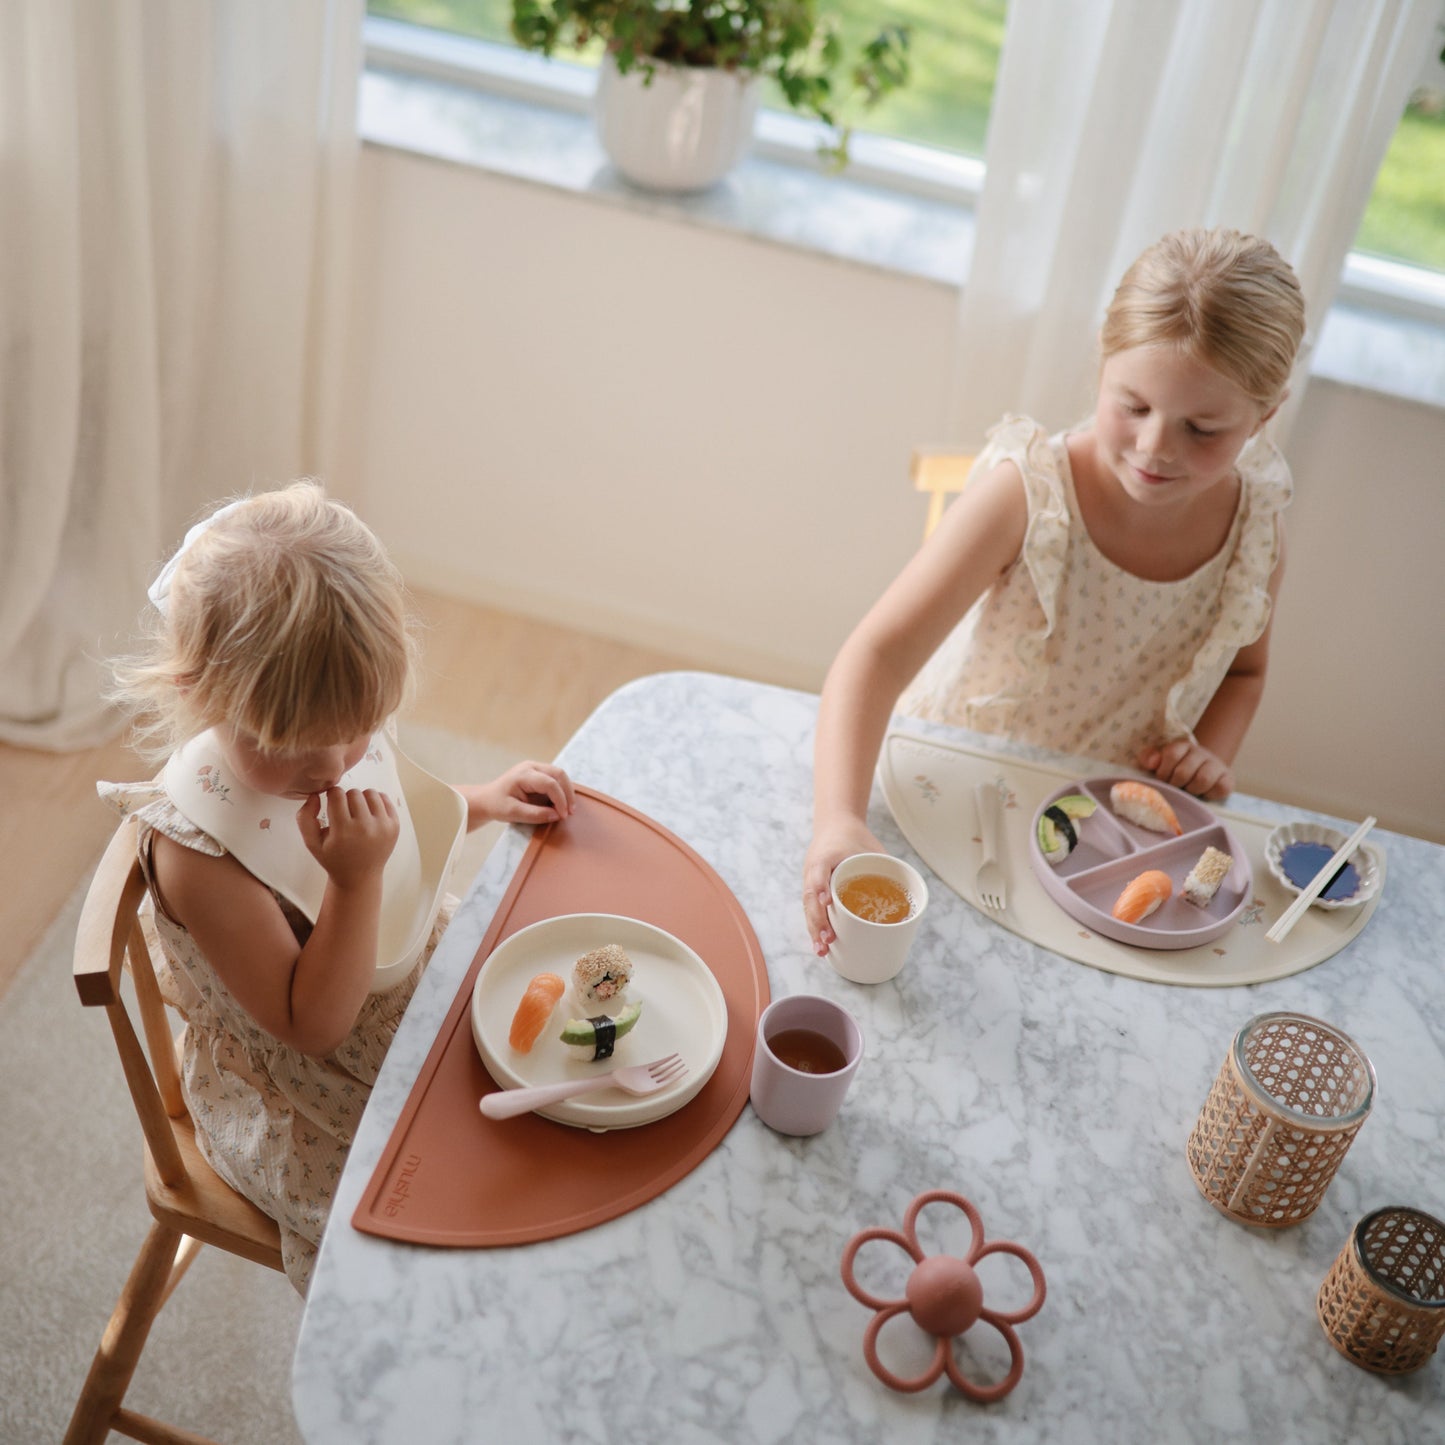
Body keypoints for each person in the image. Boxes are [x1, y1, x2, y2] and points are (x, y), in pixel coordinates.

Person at [101, 482, 575, 1292]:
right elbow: (310, 1023)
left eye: (354, 732)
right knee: (424, 1239)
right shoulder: (199, 856)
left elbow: (386, 818)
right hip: (306, 1089)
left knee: (550, 1097)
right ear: (201, 692)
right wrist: (353, 885)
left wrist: (484, 799)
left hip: (404, 967)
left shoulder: (328, 725)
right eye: (291, 747)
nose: (330, 768)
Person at [804, 227, 1307, 956]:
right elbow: (874, 656)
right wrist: (837, 820)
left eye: (1201, 427)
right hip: (955, 795)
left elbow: (1244, 671)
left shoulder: (1254, 534)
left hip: (1099, 844)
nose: (1155, 447)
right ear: (1102, 368)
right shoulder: (1027, 494)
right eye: (1132, 405)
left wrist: (1206, 755)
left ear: (1263, 416)